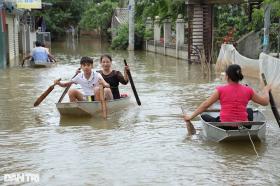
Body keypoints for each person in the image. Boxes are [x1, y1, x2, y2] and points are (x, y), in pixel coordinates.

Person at [183, 64, 271, 126]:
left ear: (227, 76)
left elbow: (205, 105)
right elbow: (265, 102)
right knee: (249, 110)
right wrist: (266, 91)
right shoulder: (248, 90)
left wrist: (190, 116)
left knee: (204, 116)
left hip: (224, 125)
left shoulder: (220, 90)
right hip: (245, 125)